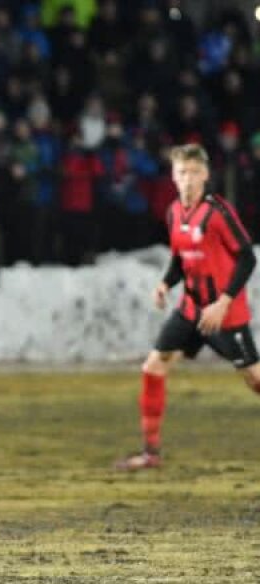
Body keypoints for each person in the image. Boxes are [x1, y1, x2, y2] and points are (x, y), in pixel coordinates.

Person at [116, 144, 259, 471]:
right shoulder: (173, 213)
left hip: (224, 315)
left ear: (206, 175)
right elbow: (181, 259)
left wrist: (223, 302)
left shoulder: (218, 211)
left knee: (254, 380)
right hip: (191, 310)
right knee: (153, 367)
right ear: (173, 176)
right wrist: (166, 283)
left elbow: (248, 257)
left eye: (195, 172)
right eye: (182, 172)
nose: (189, 179)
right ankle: (150, 453)